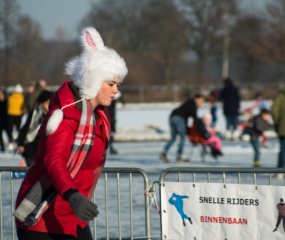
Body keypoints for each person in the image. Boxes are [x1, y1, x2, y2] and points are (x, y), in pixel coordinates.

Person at [14, 26, 128, 240]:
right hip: (42, 214)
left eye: (118, 85)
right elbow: (54, 160)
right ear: (93, 81)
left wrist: (75, 199)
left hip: (72, 213)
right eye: (111, 84)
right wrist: (72, 195)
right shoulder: (65, 115)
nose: (116, 90)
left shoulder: (99, 117)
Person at [159, 94, 205, 163]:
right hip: (179, 118)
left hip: (172, 116)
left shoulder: (188, 102)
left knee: (173, 138)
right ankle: (179, 156)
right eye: (201, 101)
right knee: (182, 137)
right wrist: (203, 131)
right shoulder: (192, 104)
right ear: (197, 99)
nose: (201, 103)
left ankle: (164, 152)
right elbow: (195, 119)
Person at [17, 90, 53, 166]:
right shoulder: (34, 113)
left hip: (45, 145)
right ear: (41, 103)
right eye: (47, 103)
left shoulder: (53, 114)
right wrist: (21, 143)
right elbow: (25, 127)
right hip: (31, 143)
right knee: (32, 166)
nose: (49, 105)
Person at [7, 84, 25, 152]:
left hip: (10, 114)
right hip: (18, 115)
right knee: (18, 130)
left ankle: (11, 143)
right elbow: (24, 107)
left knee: (10, 130)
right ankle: (17, 142)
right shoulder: (22, 97)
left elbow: (7, 105)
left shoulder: (10, 97)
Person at [271, 87, 285, 179]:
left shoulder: (281, 96)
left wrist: (278, 123)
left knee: (283, 150)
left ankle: (280, 171)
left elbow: (274, 111)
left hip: (283, 128)